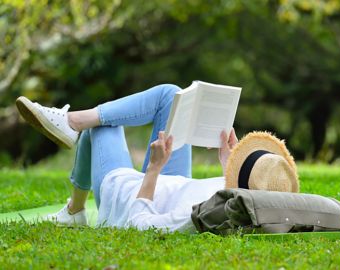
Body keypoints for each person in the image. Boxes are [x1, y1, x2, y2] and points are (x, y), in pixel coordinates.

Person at [16, 84, 299, 232]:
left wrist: (153, 169)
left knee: (103, 125)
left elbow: (142, 224)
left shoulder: (203, 216)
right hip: (174, 182)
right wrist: (228, 166)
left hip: (130, 197)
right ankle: (74, 209)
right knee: (170, 95)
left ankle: (72, 123)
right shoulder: (249, 202)